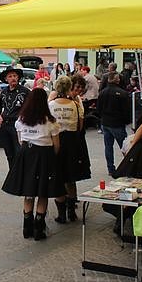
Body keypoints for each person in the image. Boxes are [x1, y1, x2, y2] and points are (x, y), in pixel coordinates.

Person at [1, 88, 63, 241]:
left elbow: (20, 140)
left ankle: (26, 228)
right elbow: (56, 146)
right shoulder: (51, 121)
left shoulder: (22, 119)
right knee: (42, 192)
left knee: (29, 193)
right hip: (44, 156)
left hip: (26, 155)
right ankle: (39, 229)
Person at [48, 76, 90, 224]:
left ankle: (61, 214)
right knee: (71, 178)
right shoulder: (75, 104)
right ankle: (72, 212)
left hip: (57, 142)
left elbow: (47, 125)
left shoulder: (51, 105)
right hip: (72, 143)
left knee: (58, 178)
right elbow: (80, 126)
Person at [96, 71, 131, 177]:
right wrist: (127, 121)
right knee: (125, 146)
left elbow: (98, 109)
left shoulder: (102, 92)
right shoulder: (122, 93)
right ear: (117, 80)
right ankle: (128, 166)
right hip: (117, 123)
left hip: (105, 123)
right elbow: (127, 110)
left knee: (108, 146)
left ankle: (110, 168)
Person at [0, 67, 31, 168]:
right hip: (5, 124)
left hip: (18, 125)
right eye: (10, 76)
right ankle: (12, 173)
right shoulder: (4, 91)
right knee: (9, 153)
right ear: (6, 79)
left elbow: (32, 105)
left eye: (15, 76)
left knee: (18, 151)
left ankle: (19, 173)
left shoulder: (25, 91)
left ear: (18, 77)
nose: (13, 78)